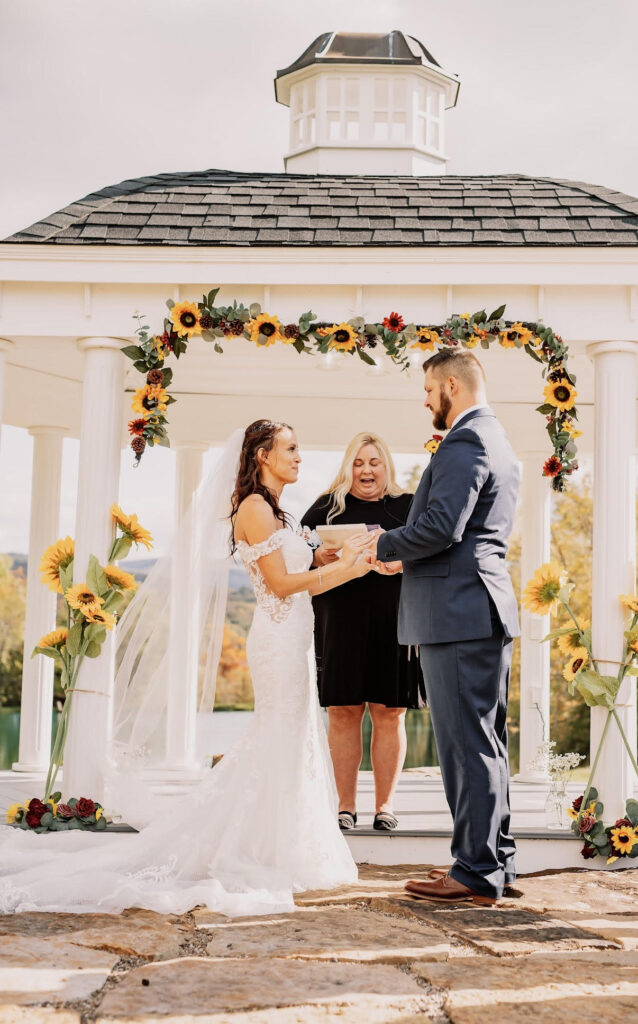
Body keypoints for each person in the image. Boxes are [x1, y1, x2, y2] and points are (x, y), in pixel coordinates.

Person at [0, 420, 374, 917]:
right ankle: (256, 848)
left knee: (293, 736)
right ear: (262, 455)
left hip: (294, 639)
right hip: (278, 640)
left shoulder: (275, 511)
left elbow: (303, 578)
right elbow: (281, 586)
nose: (299, 457)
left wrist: (344, 564)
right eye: (290, 448)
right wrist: (345, 566)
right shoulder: (255, 507)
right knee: (278, 735)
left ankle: (282, 844)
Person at [368, 349, 520, 905]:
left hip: (458, 611)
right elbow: (462, 532)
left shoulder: (466, 440)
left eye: (429, 391)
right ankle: (494, 862)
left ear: (451, 386)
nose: (426, 401)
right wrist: (403, 559)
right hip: (477, 607)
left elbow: (440, 527)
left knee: (464, 745)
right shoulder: (497, 438)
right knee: (486, 741)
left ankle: (475, 871)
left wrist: (383, 544)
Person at [301, 433, 425, 832]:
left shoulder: (409, 505)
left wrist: (400, 562)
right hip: (340, 618)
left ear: (386, 465)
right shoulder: (327, 506)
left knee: (389, 712)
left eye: (374, 462)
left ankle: (385, 806)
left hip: (395, 617)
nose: (366, 470)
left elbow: (431, 550)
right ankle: (345, 807)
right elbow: (299, 550)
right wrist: (320, 554)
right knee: (343, 710)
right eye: (358, 462)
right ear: (347, 467)